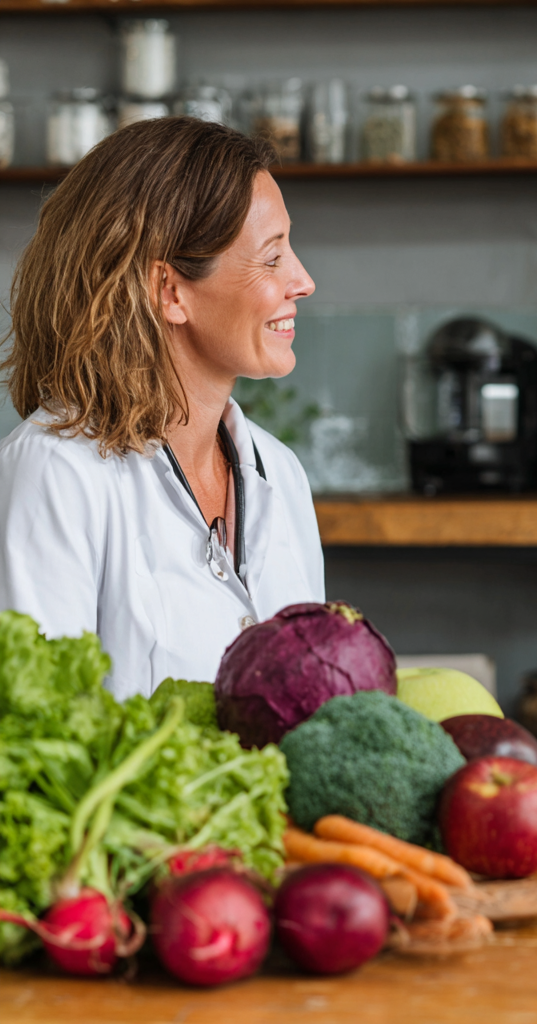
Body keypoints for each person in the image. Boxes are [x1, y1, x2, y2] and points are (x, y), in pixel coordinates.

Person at [0, 117, 324, 700]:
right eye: (272, 258)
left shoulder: (281, 472)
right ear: (170, 291)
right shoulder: (55, 473)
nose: (303, 281)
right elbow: (35, 727)